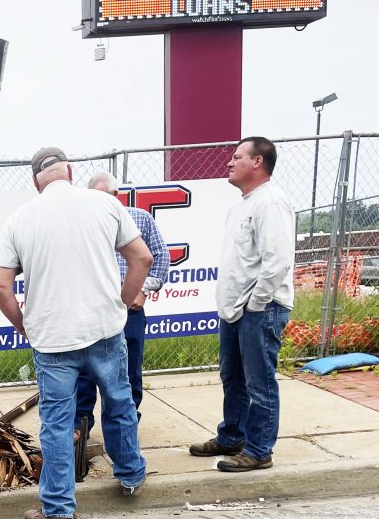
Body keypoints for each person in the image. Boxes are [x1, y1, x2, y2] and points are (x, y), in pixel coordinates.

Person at [0, 147, 152, 519]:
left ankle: (59, 508)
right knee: (120, 401)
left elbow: (0, 287)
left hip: (53, 341)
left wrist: (23, 325)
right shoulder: (104, 205)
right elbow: (142, 258)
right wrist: (122, 302)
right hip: (105, 329)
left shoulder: (19, 220)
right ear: (70, 171)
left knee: (57, 423)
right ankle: (130, 475)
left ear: (36, 181)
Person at [189, 136, 295, 472]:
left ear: (258, 162)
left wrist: (256, 304)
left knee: (259, 381)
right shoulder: (241, 206)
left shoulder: (271, 203)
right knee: (232, 376)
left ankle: (260, 449)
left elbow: (277, 262)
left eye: (237, 157)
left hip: (260, 310)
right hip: (236, 310)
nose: (229, 162)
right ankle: (232, 436)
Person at [76, 171, 169, 433]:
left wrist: (141, 290)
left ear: (118, 196)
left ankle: (126, 429)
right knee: (84, 372)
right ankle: (80, 430)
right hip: (90, 310)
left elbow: (160, 258)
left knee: (128, 372)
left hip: (129, 310)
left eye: (108, 197)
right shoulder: (81, 223)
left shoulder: (139, 218)